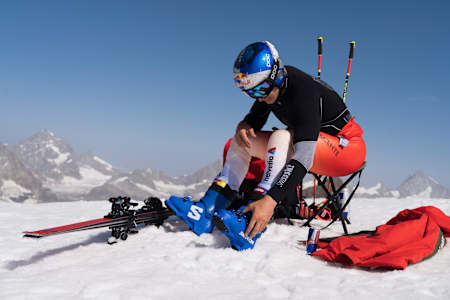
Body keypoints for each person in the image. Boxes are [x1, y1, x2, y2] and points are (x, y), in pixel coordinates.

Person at [165, 41, 366, 251]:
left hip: (347, 149)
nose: (259, 97)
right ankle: (207, 211)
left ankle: (251, 222)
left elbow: (304, 156)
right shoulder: (269, 88)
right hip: (321, 145)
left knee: (281, 137)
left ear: (276, 75)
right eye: (250, 93)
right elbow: (254, 118)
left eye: (261, 89)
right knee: (242, 141)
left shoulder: (303, 91)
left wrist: (271, 201)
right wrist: (244, 125)